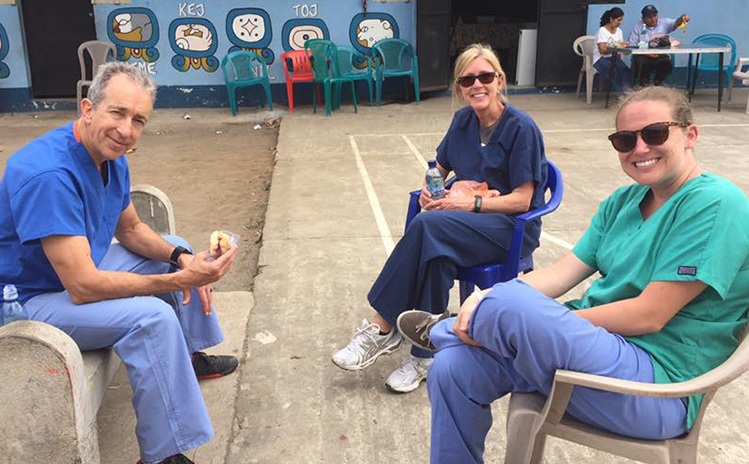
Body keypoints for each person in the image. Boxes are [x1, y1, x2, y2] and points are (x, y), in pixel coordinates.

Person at [396, 85, 749, 463]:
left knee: (512, 305)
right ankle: (460, 330)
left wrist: (543, 322)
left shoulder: (715, 204)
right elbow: (560, 275)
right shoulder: (623, 203)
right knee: (453, 368)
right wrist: (493, 304)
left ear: (690, 134)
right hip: (592, 355)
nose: (640, 149)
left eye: (656, 133)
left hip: (655, 385)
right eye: (625, 140)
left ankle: (441, 330)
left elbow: (650, 314)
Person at [0, 62, 240, 464]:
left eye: (138, 120)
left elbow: (129, 230)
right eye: (117, 113)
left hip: (72, 272)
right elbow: (83, 287)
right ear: (88, 109)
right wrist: (180, 279)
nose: (127, 130)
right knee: (152, 318)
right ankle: (162, 455)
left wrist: (182, 259)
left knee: (174, 245)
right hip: (28, 299)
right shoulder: (49, 174)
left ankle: (189, 356)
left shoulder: (110, 154)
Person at [331, 43, 548, 394]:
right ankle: (423, 355)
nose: (477, 85)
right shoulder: (463, 120)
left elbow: (523, 200)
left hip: (509, 227)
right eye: (467, 79)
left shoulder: (522, 128)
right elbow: (440, 167)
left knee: (429, 226)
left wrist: (467, 204)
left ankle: (381, 328)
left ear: (500, 80)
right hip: (463, 226)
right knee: (436, 252)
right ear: (459, 87)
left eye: (485, 77)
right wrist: (431, 190)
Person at [628, 4, 690, 86]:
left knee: (666, 63)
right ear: (643, 19)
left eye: (655, 16)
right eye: (649, 17)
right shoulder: (637, 28)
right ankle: (644, 84)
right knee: (640, 62)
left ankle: (658, 83)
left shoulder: (664, 23)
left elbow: (676, 23)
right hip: (643, 56)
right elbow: (632, 46)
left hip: (660, 55)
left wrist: (682, 18)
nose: (653, 19)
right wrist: (646, 53)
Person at [593, 7, 632, 92]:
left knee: (626, 71)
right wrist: (616, 47)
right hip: (600, 59)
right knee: (613, 72)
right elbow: (602, 50)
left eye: (621, 20)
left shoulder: (619, 31)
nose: (620, 22)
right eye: (618, 20)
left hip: (613, 57)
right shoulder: (602, 31)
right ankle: (622, 94)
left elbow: (619, 47)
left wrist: (625, 47)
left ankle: (627, 92)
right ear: (611, 19)